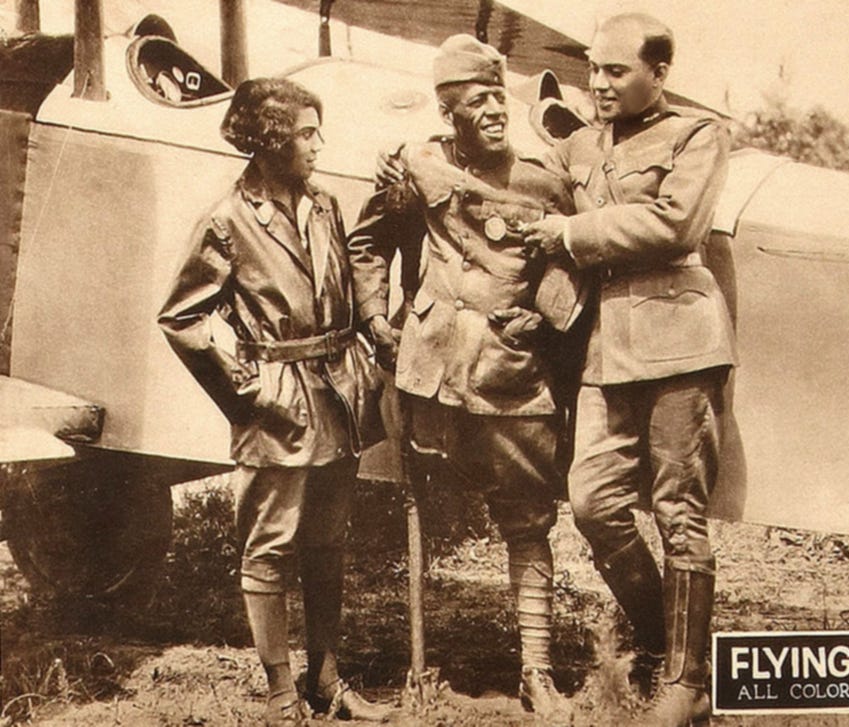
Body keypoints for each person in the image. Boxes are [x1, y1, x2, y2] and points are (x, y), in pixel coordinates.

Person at [348, 34, 577, 723]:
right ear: (450, 116)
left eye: (495, 97)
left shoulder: (540, 176)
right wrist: (373, 315)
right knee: (416, 506)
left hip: (511, 374)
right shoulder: (418, 167)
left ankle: (537, 674)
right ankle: (421, 668)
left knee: (529, 521)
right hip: (428, 370)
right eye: (475, 103)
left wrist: (544, 317)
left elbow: (572, 260)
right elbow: (369, 243)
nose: (494, 112)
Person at [522, 13, 737, 726]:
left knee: (680, 512)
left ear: (659, 74)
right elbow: (528, 189)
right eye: (594, 68)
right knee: (591, 501)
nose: (600, 83)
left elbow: (677, 225)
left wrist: (572, 232)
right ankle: (657, 637)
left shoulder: (697, 135)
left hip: (679, 340)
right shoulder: (578, 143)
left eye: (617, 71)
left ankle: (687, 680)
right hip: (605, 348)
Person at [158, 78, 389, 726]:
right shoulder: (227, 221)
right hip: (278, 407)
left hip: (337, 397)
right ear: (269, 142)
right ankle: (280, 693)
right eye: (307, 133)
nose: (319, 144)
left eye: (318, 130)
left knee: (327, 543)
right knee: (270, 546)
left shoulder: (326, 205)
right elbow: (183, 317)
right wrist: (249, 390)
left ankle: (327, 680)